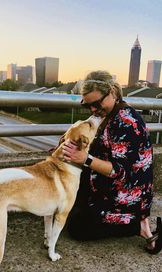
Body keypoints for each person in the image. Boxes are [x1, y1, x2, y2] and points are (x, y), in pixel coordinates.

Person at [62, 70, 162, 254]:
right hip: (105, 181)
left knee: (77, 228)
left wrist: (86, 159)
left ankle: (137, 226)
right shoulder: (109, 114)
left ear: (113, 93)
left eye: (97, 103)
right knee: (67, 202)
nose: (93, 109)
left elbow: (120, 172)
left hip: (126, 193)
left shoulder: (125, 122)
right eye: (87, 105)